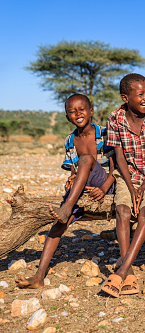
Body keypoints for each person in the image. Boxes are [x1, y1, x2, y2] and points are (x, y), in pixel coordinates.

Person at [16, 93, 115, 289]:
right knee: (58, 225)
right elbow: (74, 170)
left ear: (91, 111)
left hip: (108, 184)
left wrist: (104, 188)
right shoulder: (70, 140)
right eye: (72, 111)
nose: (78, 113)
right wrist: (72, 178)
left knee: (86, 159)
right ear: (67, 116)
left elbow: (117, 168)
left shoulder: (106, 134)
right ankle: (38, 277)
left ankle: (67, 207)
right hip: (84, 187)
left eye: (82, 109)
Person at [101, 73, 145, 297]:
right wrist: (130, 188)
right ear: (125, 97)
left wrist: (142, 188)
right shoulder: (115, 118)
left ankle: (123, 270)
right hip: (126, 175)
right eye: (141, 94)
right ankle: (128, 273)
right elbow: (119, 158)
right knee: (123, 211)